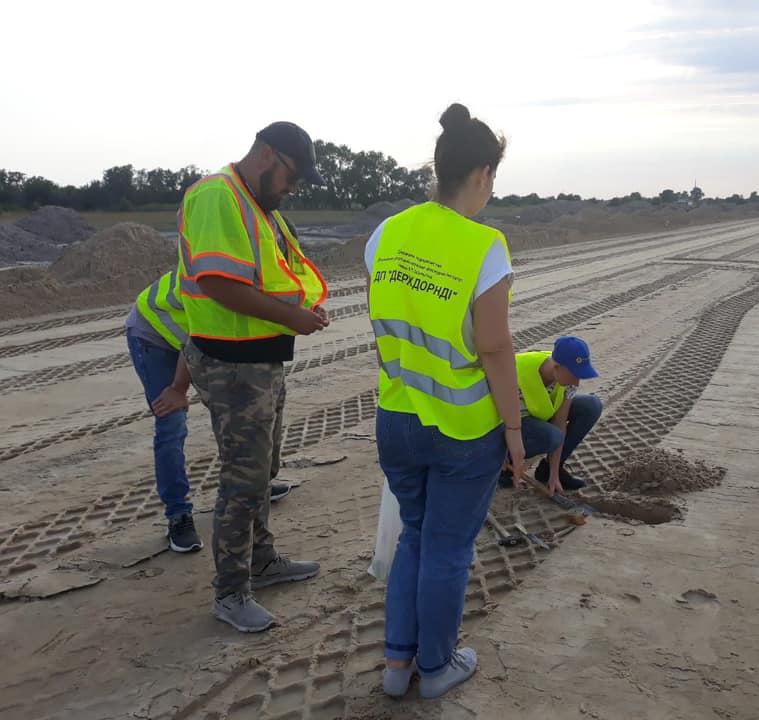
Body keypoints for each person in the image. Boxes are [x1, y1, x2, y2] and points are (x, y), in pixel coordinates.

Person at [365, 103, 524, 699]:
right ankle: (436, 667)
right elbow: (495, 347)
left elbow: (387, 327)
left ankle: (396, 664)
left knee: (415, 535)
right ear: (482, 174)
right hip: (461, 431)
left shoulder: (388, 233)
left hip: (397, 420)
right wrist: (513, 431)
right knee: (448, 549)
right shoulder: (485, 246)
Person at [177, 122, 331, 633]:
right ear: (266, 154)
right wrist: (291, 318)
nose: (292, 188)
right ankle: (230, 593)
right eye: (291, 176)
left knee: (264, 471)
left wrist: (301, 309)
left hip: (259, 361)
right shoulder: (219, 196)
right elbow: (218, 282)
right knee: (242, 483)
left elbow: (275, 275)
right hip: (231, 365)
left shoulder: (260, 206)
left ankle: (261, 562)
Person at [125, 218, 303, 554]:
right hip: (153, 335)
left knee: (234, 413)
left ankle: (253, 485)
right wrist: (178, 388)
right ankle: (178, 515)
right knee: (171, 421)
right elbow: (197, 336)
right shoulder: (224, 273)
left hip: (196, 337)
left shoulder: (266, 267)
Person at [497, 336, 603, 493]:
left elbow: (559, 423)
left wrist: (553, 475)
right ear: (557, 367)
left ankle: (546, 471)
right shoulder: (515, 371)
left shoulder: (567, 381)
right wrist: (499, 450)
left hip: (537, 417)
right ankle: (504, 465)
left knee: (591, 405)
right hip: (506, 423)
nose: (577, 383)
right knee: (551, 437)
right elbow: (491, 413)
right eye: (574, 375)